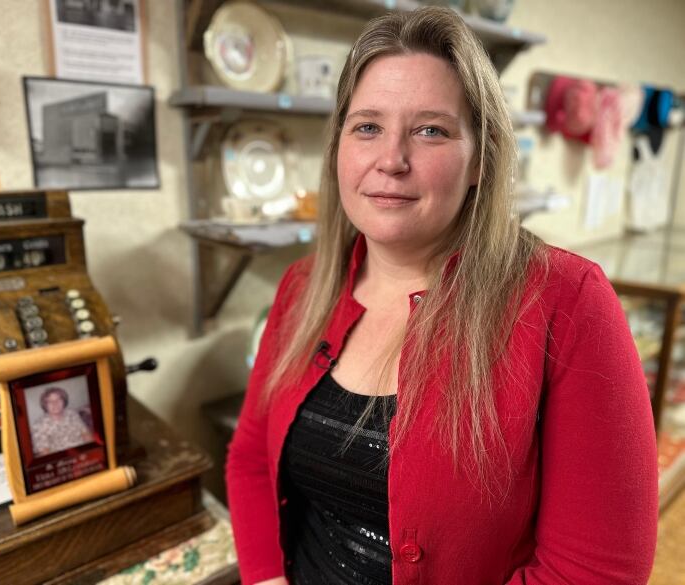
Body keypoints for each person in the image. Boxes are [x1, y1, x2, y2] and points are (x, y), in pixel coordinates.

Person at [225, 6, 658, 585]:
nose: (391, 160)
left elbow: (595, 572)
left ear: (480, 158)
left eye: (431, 129)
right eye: (367, 127)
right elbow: (250, 459)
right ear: (338, 148)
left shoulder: (568, 302)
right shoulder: (302, 289)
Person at [31, 386, 93, 457]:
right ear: (45, 405)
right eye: (50, 401)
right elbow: (44, 452)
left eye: (59, 399)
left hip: (82, 451)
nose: (55, 403)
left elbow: (85, 433)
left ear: (64, 401)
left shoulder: (72, 413)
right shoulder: (39, 425)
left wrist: (90, 450)